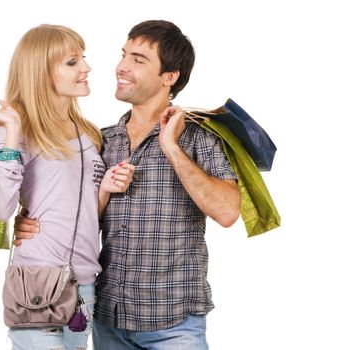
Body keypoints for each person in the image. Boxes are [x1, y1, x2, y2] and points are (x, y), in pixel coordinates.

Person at [14, 20, 241, 350]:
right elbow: (76, 212)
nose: (122, 67)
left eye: (139, 59)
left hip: (174, 322)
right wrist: (30, 221)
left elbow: (228, 212)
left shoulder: (197, 138)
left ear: (170, 77)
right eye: (124, 55)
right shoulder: (102, 140)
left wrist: (171, 148)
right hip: (109, 318)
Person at [0, 24, 134, 350]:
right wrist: (13, 131)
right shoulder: (16, 129)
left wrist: (105, 191)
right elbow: (0, 208)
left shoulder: (89, 134)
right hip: (38, 278)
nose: (86, 68)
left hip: (85, 283)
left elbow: (87, 211)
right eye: (72, 62)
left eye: (82, 59)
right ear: (40, 71)